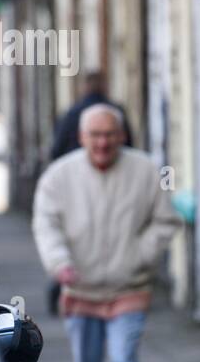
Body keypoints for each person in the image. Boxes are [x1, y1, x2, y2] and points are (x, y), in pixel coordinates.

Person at [32, 103, 180, 362]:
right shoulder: (58, 177)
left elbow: (166, 222)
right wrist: (60, 264)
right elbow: (45, 225)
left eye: (109, 135)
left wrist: (138, 256)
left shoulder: (146, 172)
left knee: (124, 358)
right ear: (82, 137)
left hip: (128, 288)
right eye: (95, 135)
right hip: (79, 288)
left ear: (122, 136)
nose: (102, 143)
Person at [45, 75, 135, 315]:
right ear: (105, 87)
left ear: (84, 88)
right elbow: (130, 149)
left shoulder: (72, 114)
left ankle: (65, 289)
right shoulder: (117, 113)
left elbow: (56, 151)